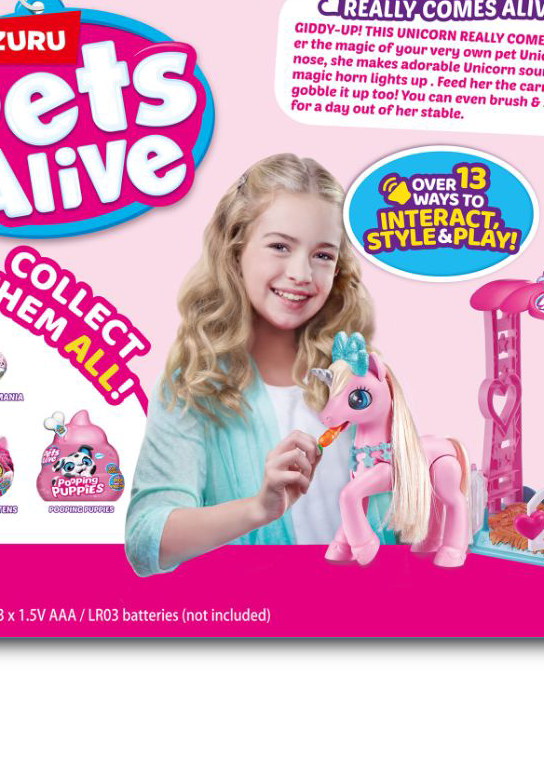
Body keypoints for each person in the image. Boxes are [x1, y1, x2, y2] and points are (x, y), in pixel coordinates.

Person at [123, 154, 389, 577]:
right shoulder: (194, 383)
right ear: (236, 249)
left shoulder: (362, 378)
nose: (302, 273)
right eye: (280, 246)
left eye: (323, 255)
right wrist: (257, 508)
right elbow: (145, 541)